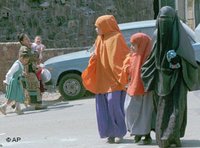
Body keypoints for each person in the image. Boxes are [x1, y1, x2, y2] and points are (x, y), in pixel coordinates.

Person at [141, 6, 200, 147]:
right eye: (162, 20)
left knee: (176, 109)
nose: (164, 23)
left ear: (173, 21)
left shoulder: (181, 36)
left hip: (178, 78)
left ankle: (173, 138)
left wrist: (178, 61)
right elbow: (150, 59)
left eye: (167, 20)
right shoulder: (156, 34)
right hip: (161, 79)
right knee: (162, 108)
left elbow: (190, 60)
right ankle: (163, 139)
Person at [81, 15, 130, 143]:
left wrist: (123, 77)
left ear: (105, 26)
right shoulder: (99, 39)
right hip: (102, 79)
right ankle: (109, 133)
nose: (96, 30)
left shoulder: (117, 38)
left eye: (98, 27)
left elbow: (123, 57)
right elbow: (96, 54)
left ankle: (120, 132)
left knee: (113, 106)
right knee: (103, 108)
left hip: (114, 79)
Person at [121, 33, 153, 145]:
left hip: (146, 90)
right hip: (133, 88)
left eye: (134, 45)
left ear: (142, 45)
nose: (132, 47)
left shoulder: (149, 57)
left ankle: (145, 135)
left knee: (145, 114)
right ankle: (136, 132)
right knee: (130, 109)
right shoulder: (133, 56)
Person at [18, 33, 47, 110]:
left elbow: (35, 56)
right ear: (22, 41)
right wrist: (34, 53)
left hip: (31, 70)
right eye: (26, 39)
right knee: (34, 87)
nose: (28, 40)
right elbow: (27, 58)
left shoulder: (27, 48)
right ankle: (37, 105)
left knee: (33, 87)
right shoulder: (24, 48)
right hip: (28, 71)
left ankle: (35, 104)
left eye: (28, 38)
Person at [0, 46, 30, 115]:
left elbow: (18, 73)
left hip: (18, 82)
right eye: (25, 60)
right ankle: (3, 106)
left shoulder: (20, 64)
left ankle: (17, 109)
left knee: (18, 95)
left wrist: (22, 73)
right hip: (14, 83)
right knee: (13, 96)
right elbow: (9, 73)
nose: (25, 62)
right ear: (21, 58)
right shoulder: (16, 64)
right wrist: (7, 82)